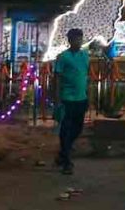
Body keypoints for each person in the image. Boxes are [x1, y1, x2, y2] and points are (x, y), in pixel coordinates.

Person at [54, 28, 89, 175]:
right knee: (66, 128)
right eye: (76, 39)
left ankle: (63, 153)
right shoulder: (63, 57)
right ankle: (67, 161)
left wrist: (89, 96)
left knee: (78, 128)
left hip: (81, 98)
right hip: (67, 98)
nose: (79, 42)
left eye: (80, 39)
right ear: (70, 41)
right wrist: (57, 98)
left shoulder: (85, 55)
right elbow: (57, 78)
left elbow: (87, 77)